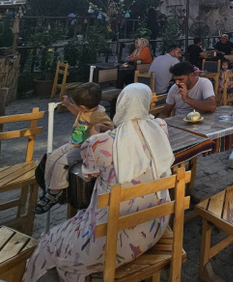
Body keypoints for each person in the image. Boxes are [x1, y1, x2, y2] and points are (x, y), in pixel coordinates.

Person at [23, 84, 174, 282]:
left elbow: (89, 172)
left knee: (48, 241)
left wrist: (94, 134)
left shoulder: (101, 143)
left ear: (121, 105)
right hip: (156, 225)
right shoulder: (160, 129)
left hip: (111, 241)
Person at [34, 83, 113, 214]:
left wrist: (97, 129)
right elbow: (77, 113)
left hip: (83, 147)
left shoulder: (98, 114)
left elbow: (110, 128)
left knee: (62, 162)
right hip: (74, 142)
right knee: (52, 156)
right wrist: (68, 105)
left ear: (83, 107)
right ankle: (49, 187)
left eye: (74, 103)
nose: (73, 105)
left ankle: (55, 193)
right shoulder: (85, 110)